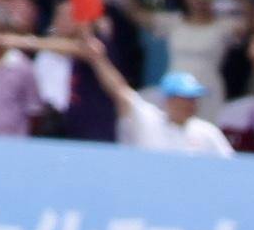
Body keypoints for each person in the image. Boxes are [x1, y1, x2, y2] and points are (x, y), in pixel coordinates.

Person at [87, 43, 232, 156]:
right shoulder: (147, 119)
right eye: (185, 98)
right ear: (170, 99)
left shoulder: (207, 132)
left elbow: (230, 165)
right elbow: (120, 91)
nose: (191, 103)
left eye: (193, 98)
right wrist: (99, 59)